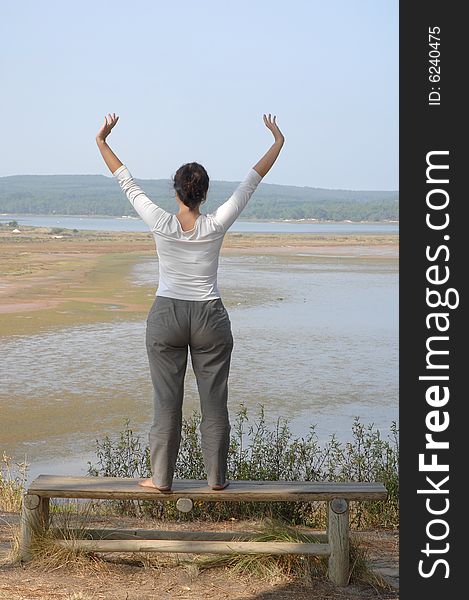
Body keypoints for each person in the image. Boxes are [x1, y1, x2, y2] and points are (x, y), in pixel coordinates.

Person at [96, 113, 284, 491]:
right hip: (210, 316)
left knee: (166, 401)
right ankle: (216, 480)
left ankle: (162, 479)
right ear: (204, 194)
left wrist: (103, 141)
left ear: (176, 192)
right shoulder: (215, 224)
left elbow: (126, 182)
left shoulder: (161, 222)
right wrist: (277, 141)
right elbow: (251, 181)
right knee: (214, 402)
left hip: (167, 313)